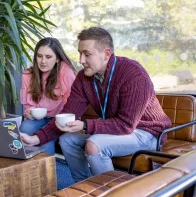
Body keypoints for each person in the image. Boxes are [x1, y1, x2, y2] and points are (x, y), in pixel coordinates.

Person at [21, 27, 172, 182]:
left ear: (106, 54)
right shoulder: (83, 78)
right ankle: (85, 186)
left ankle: (112, 192)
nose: (81, 60)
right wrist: (36, 139)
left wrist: (85, 125)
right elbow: (68, 113)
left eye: (87, 54)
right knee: (67, 140)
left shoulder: (133, 74)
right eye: (80, 53)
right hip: (115, 127)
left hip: (146, 131)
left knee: (95, 145)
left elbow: (126, 125)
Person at [20, 37, 76, 154]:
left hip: (59, 120)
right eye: (39, 56)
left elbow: (71, 105)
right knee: (25, 128)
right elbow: (27, 106)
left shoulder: (65, 73)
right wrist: (29, 112)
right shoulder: (28, 75)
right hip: (39, 119)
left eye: (48, 57)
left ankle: (49, 169)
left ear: (57, 58)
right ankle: (31, 166)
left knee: (45, 139)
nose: (43, 61)